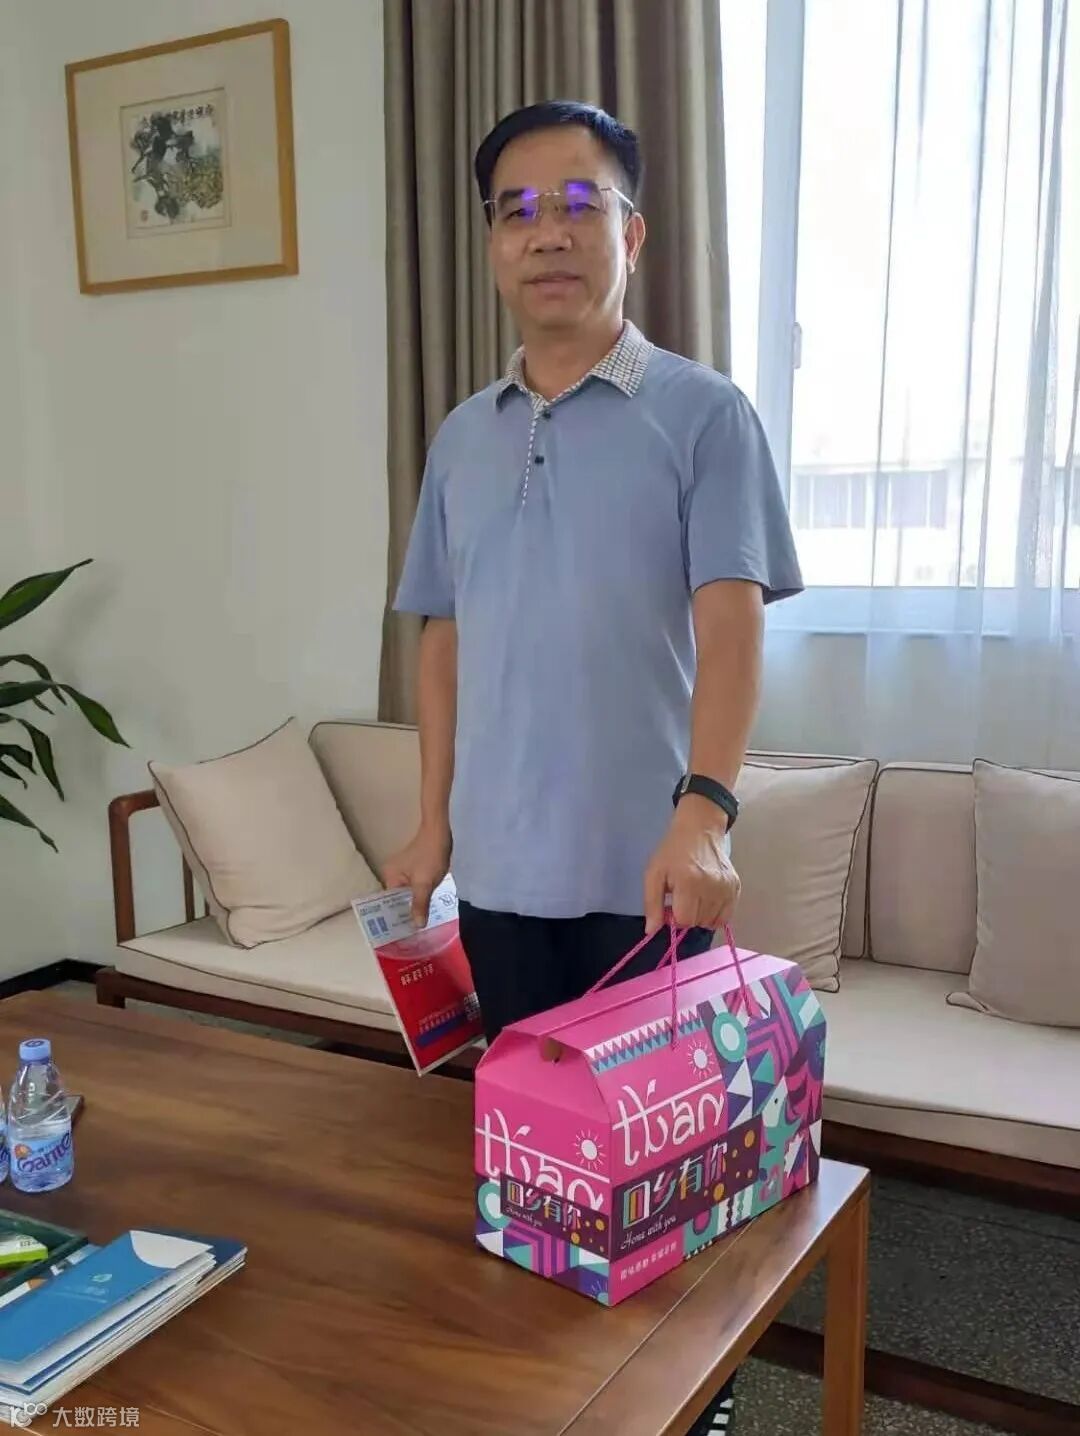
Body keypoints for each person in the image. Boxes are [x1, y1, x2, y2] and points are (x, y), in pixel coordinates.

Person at [385, 100, 803, 1435]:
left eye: (579, 204)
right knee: (542, 1170)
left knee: (673, 1172)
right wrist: (433, 821)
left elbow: (731, 625)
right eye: (516, 210)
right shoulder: (461, 435)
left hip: (649, 881)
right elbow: (442, 637)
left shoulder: (704, 414)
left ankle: (699, 1401)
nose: (547, 233)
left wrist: (707, 812)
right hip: (503, 878)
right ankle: (559, 1402)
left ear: (633, 235)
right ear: (491, 245)